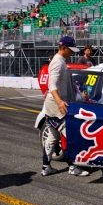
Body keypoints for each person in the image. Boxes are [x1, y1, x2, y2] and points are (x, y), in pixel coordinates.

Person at [41, 36, 89, 176]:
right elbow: (52, 84)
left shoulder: (60, 60)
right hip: (57, 103)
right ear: (63, 48)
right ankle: (73, 166)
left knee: (52, 135)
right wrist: (60, 101)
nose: (73, 53)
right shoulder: (57, 62)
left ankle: (46, 167)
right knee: (71, 134)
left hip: (52, 102)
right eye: (71, 50)